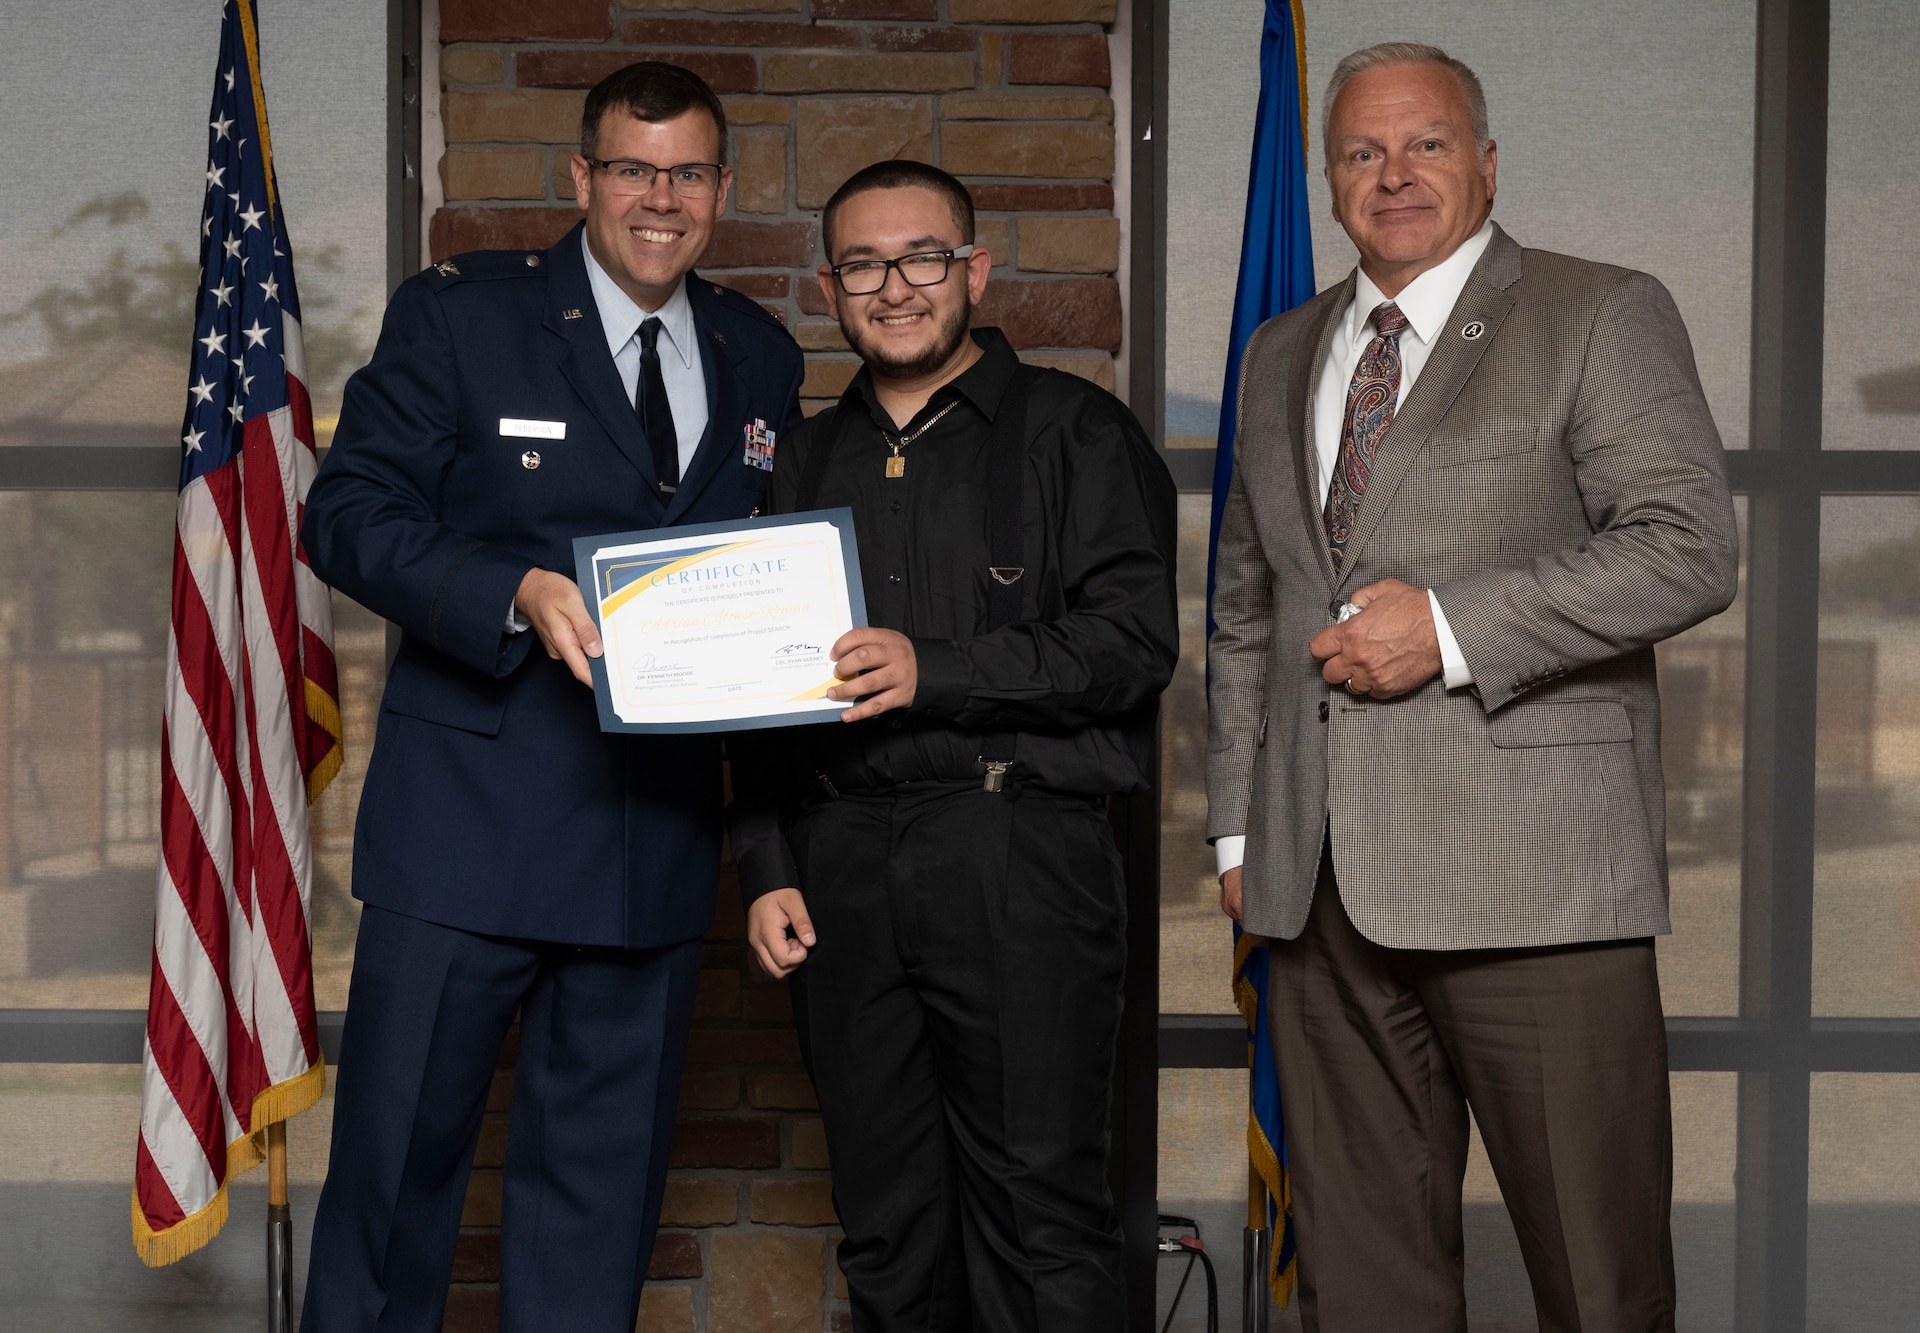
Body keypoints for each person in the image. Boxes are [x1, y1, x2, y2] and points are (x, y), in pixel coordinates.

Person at [1207, 42, 1737, 1333]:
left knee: (1601, 1289)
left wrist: (1445, 628)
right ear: (1329, 180)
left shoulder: (1599, 309)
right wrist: (1238, 824)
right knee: (1365, 1294)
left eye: (1427, 145)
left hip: (1538, 889)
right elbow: (1243, 605)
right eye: (1362, 153)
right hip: (1319, 894)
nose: (1394, 176)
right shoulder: (1281, 350)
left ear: (1487, 162)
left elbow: (1687, 544)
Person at [297, 61, 803, 1332]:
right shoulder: (462, 315)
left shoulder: (758, 352)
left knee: (597, 1207)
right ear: (582, 179)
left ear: (721, 189)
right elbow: (345, 516)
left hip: (649, 840)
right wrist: (508, 588)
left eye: (687, 172)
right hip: (467, 829)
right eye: (632, 169)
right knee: (394, 1189)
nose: (659, 198)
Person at [726, 160, 1177, 1333]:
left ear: (971, 271)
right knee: (884, 1224)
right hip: (840, 872)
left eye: (920, 256)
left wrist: (942, 670)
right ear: (830, 287)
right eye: (864, 264)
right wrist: (767, 862)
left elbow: (1134, 645)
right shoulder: (798, 463)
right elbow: (758, 695)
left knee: (1043, 1219)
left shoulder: (1079, 432)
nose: (894, 286)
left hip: (1017, 849)